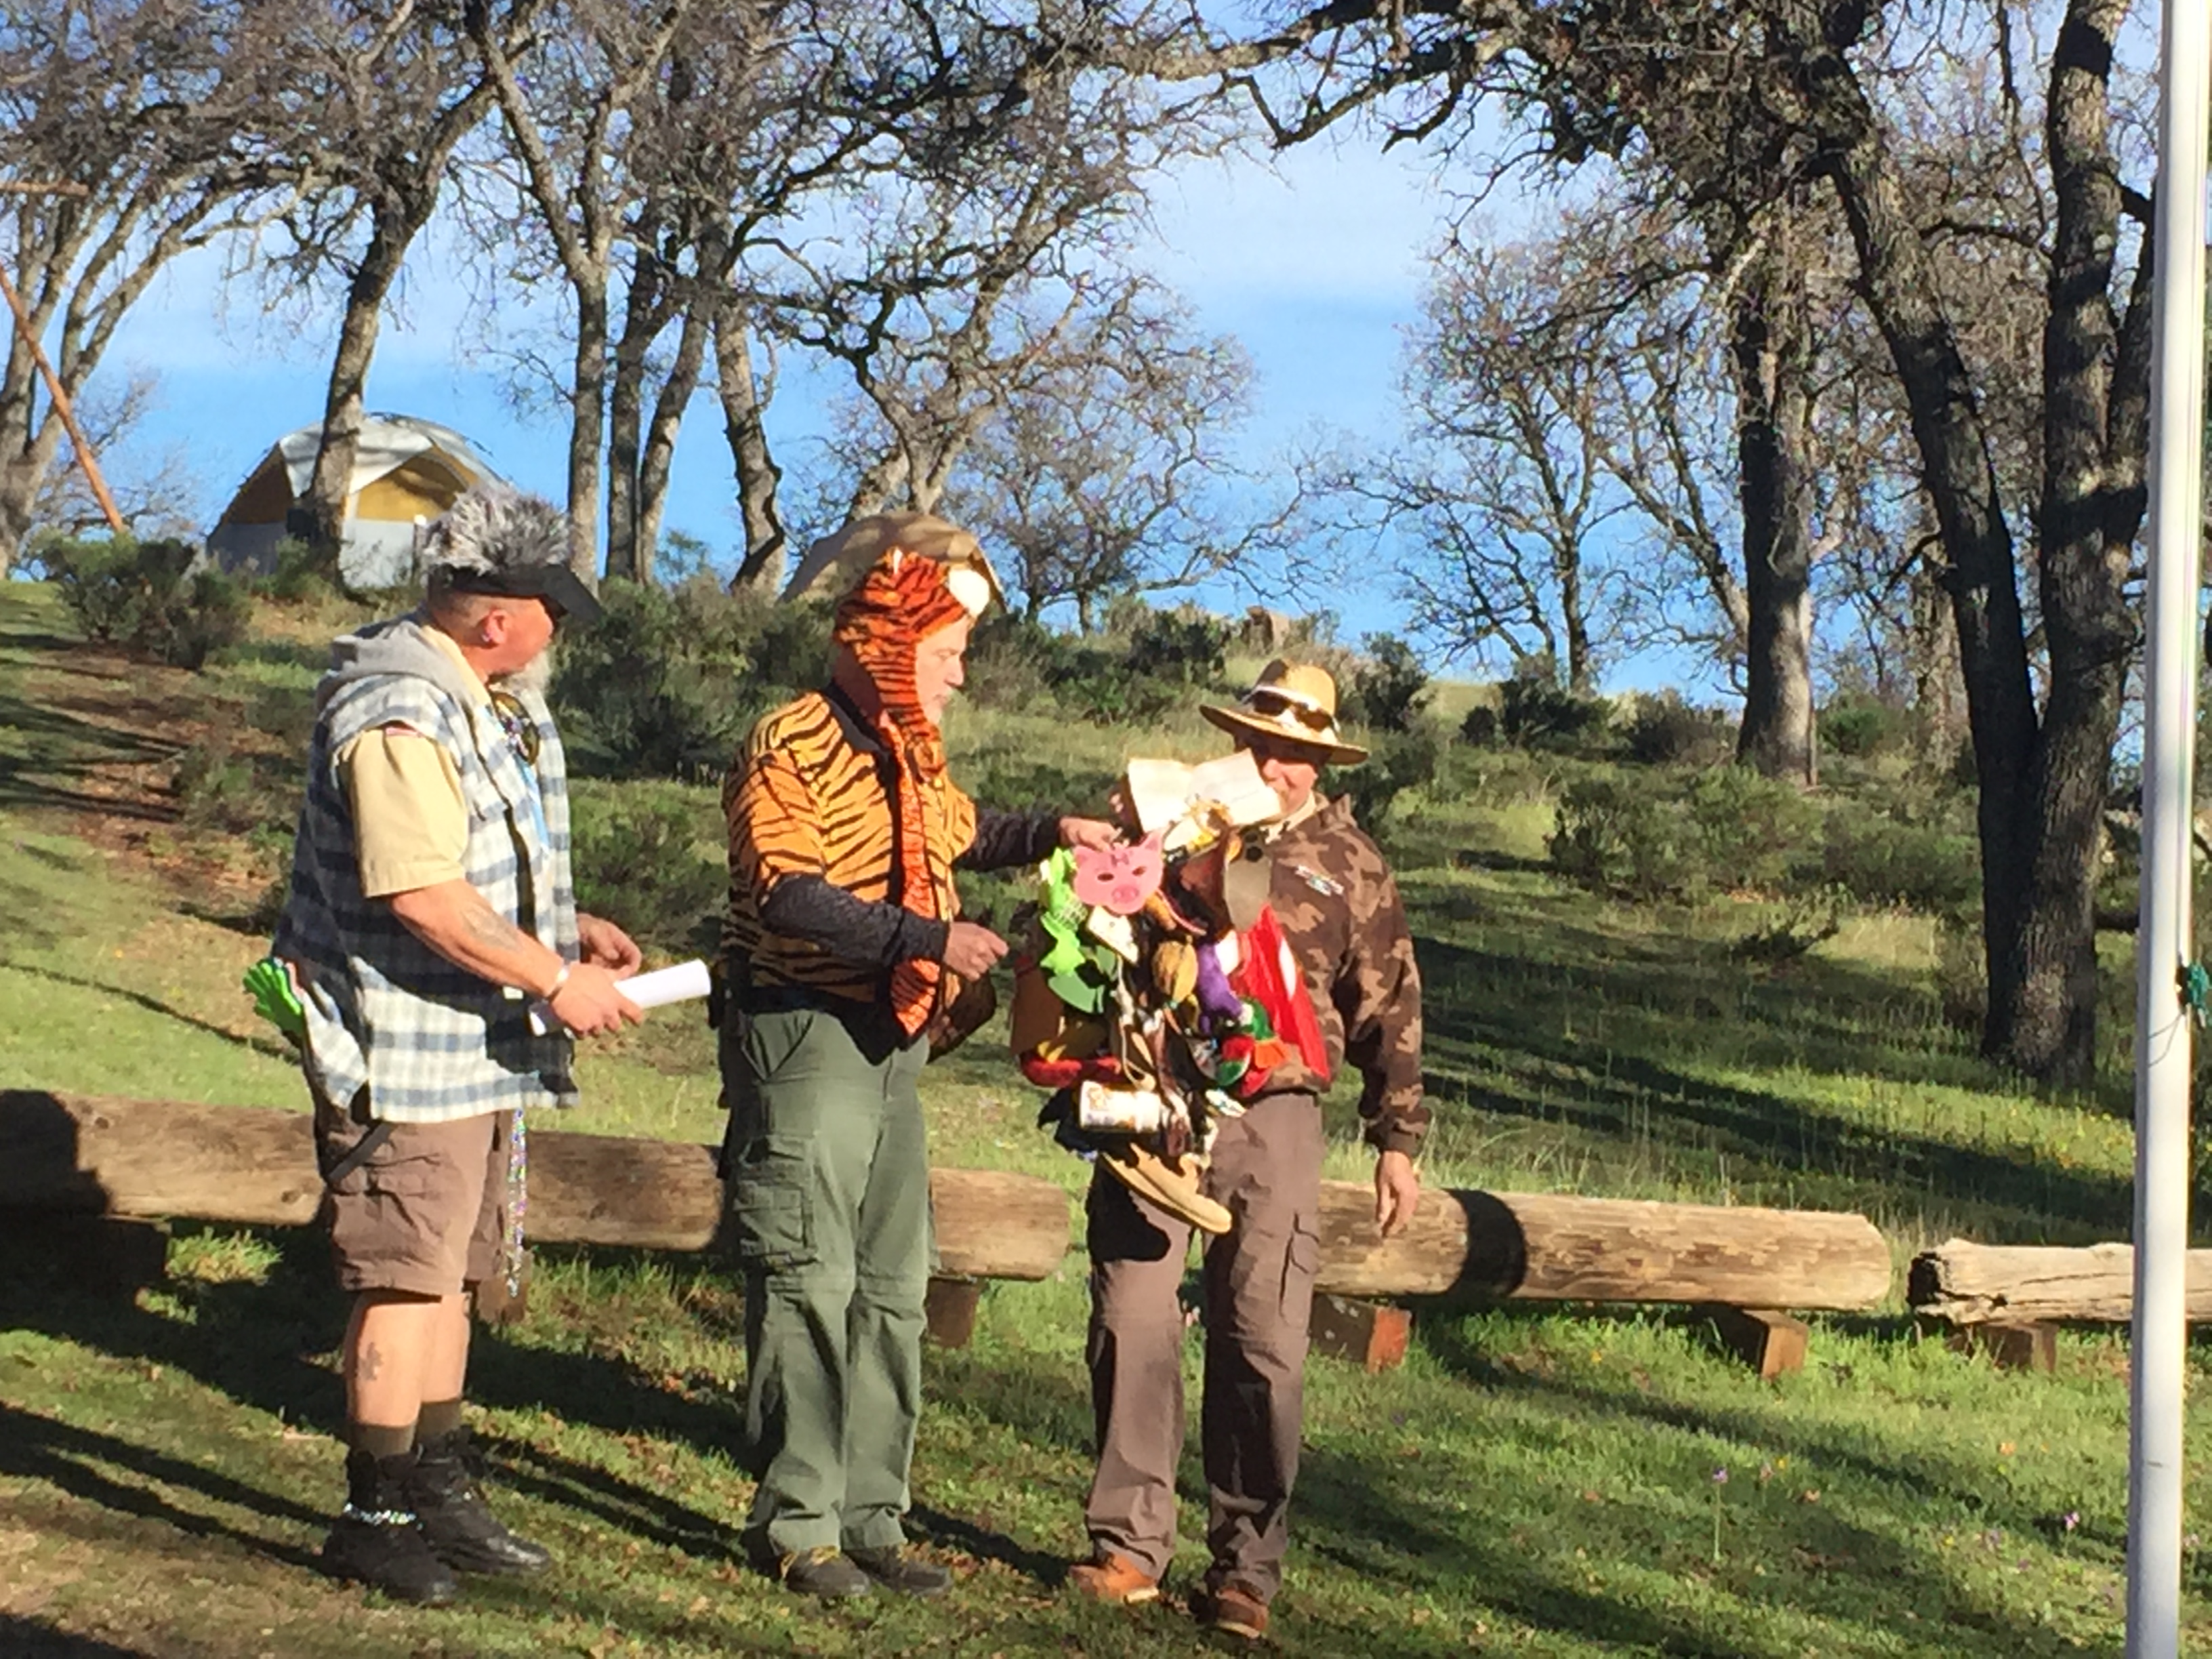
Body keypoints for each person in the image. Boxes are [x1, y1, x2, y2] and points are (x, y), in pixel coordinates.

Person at [719, 511, 1118, 1600]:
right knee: (808, 1273)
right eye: (946, 653)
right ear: (887, 647)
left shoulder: (909, 748)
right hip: (806, 1027)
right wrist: (924, 940)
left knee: (893, 1286)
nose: (959, 676)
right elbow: (787, 893)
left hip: (896, 1045)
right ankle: (799, 1525)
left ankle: (872, 1517)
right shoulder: (790, 741)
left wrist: (1054, 831)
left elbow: (958, 832)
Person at [269, 483, 646, 1607]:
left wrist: (560, 925)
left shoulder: (479, 699)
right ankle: (373, 1511)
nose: (558, 632)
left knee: (450, 1274)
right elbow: (420, 892)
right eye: (552, 611)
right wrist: (555, 979)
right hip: (405, 1047)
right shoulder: (400, 710)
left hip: (470, 1044)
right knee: (404, 1274)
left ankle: (434, 1484)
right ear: (497, 617)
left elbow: (469, 856)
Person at [1068, 658, 1427, 1642]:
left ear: (1324, 764)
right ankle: (1129, 1545)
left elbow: (1389, 1003)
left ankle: (1246, 1570)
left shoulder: (1353, 861)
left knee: (1263, 1340)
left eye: (1300, 753)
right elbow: (1093, 926)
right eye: (1265, 744)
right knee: (1132, 1316)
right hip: (1157, 1097)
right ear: (1238, 738)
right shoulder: (1171, 816)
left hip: (1278, 1113)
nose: (1279, 765)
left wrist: (1397, 1138)